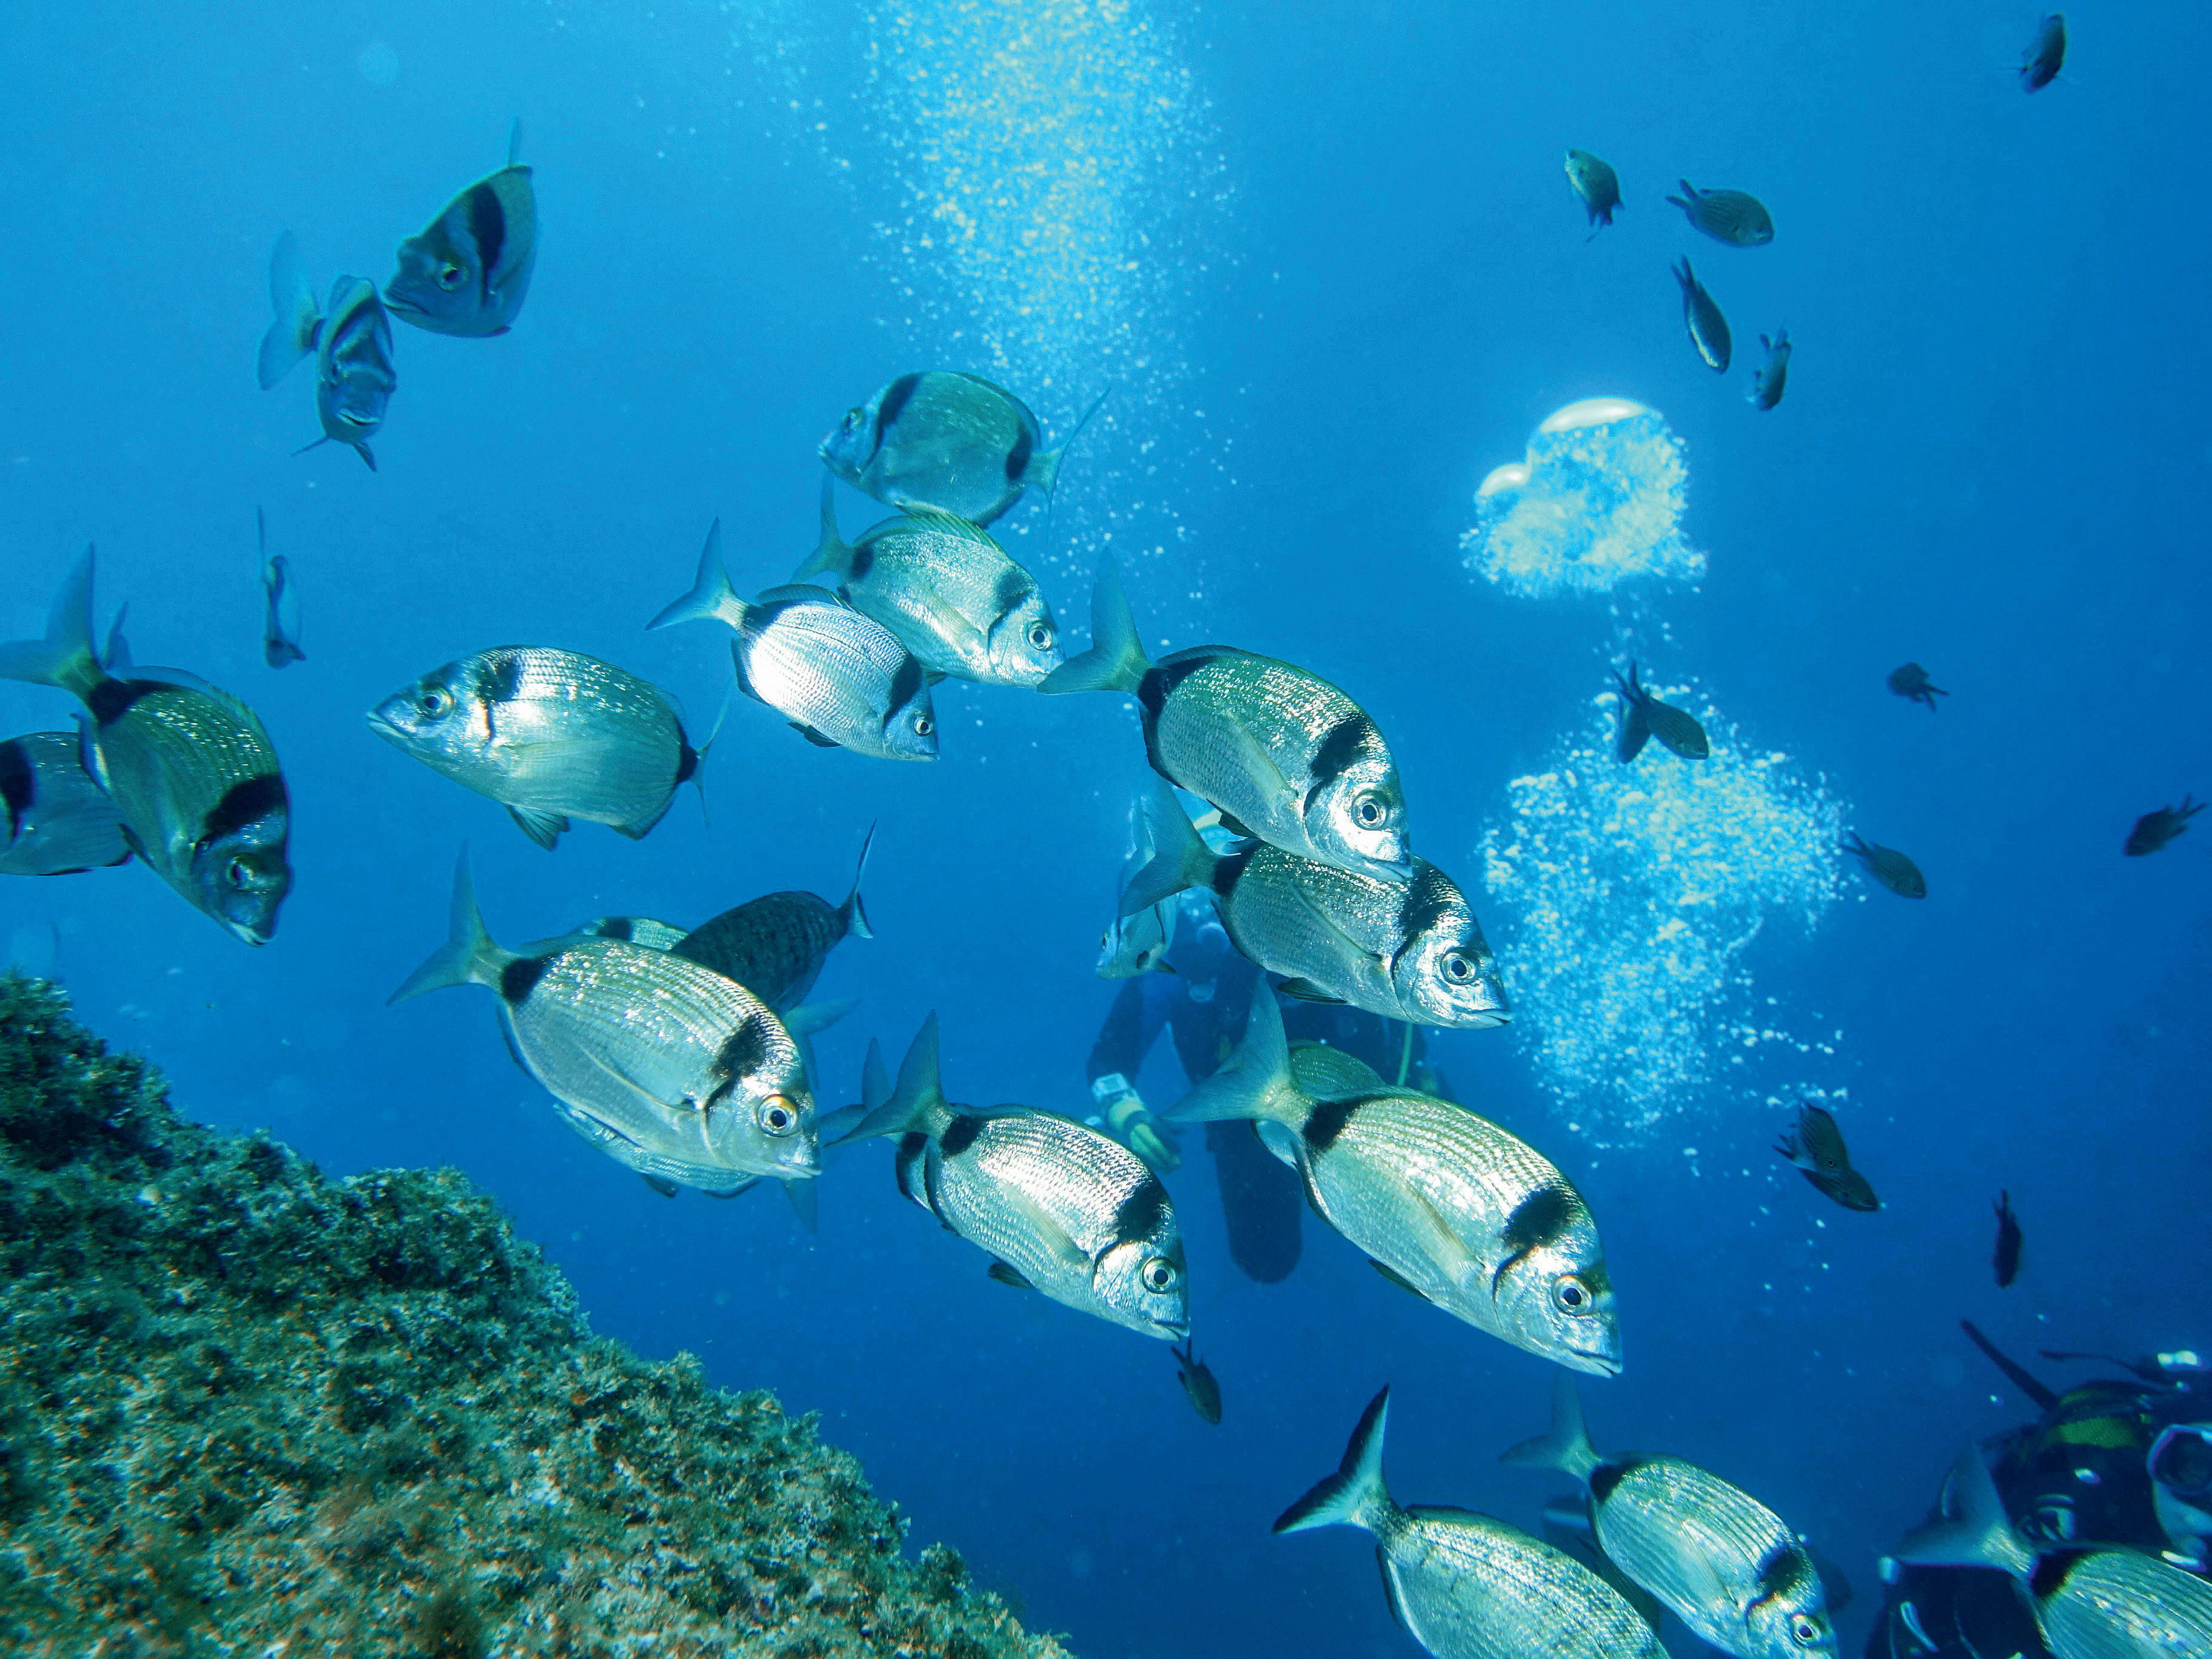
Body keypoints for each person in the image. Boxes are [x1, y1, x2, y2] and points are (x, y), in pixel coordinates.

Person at [1084, 880, 1450, 1285]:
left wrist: (1422, 1083)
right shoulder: (1190, 960)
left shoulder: (1339, 941)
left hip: (1362, 1117)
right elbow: (1108, 1061)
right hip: (1243, 1127)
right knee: (1265, 1257)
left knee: (1438, 1228)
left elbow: (1406, 1030)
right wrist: (1128, 1113)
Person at [1868, 1325, 2212, 1658]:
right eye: (2195, 1465)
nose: (2204, 1515)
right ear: (2156, 1451)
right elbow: (1988, 1604)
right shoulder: (2085, 1492)